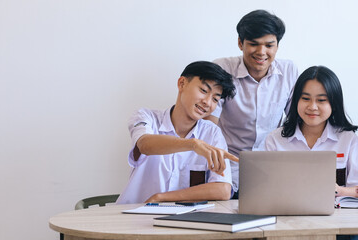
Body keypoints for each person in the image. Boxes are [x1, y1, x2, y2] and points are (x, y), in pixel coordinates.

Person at [117, 61, 239, 204]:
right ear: (182, 83)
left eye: (215, 99)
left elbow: (223, 189)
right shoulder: (146, 117)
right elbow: (145, 145)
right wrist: (192, 144)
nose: (207, 102)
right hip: (132, 215)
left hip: (181, 221)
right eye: (204, 91)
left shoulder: (212, 133)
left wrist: (161, 198)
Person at [205, 10, 299, 197]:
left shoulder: (289, 71)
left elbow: (297, 120)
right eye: (253, 44)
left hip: (272, 167)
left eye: (269, 45)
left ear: (277, 46)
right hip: (227, 164)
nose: (261, 52)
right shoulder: (222, 69)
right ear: (240, 43)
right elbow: (209, 123)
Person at [265, 66, 358, 198]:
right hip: (288, 212)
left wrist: (338, 190)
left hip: (338, 214)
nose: (312, 107)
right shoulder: (275, 139)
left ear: (334, 103)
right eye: (305, 98)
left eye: (321, 100)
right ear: (296, 100)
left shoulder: (349, 140)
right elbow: (267, 188)